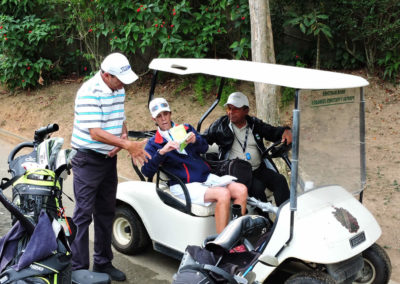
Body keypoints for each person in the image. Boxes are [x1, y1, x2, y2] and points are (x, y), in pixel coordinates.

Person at [70, 52, 151, 281]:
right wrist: (127, 144)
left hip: (108, 159)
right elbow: (94, 132)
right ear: (106, 75)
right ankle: (79, 270)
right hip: (87, 159)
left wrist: (123, 134)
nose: (124, 84)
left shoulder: (118, 89)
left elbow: (120, 116)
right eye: (119, 79)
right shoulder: (89, 92)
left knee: (106, 212)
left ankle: (103, 263)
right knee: (83, 215)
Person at [141, 98, 247, 234]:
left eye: (165, 114)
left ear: (170, 113)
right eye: (159, 116)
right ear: (154, 119)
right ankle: (223, 245)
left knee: (241, 190)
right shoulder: (154, 143)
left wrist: (196, 140)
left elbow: (203, 148)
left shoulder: (186, 128)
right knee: (223, 193)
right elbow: (147, 172)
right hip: (183, 184)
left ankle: (236, 235)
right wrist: (162, 152)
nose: (164, 119)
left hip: (204, 177)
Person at [202, 92, 292, 207]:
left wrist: (285, 130)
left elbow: (272, 132)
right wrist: (192, 140)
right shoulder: (221, 125)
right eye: (229, 108)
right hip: (237, 172)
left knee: (280, 180)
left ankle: (286, 215)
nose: (230, 112)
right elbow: (203, 139)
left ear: (246, 111)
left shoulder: (254, 124)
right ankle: (263, 221)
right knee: (257, 188)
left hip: (258, 169)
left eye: (235, 109)